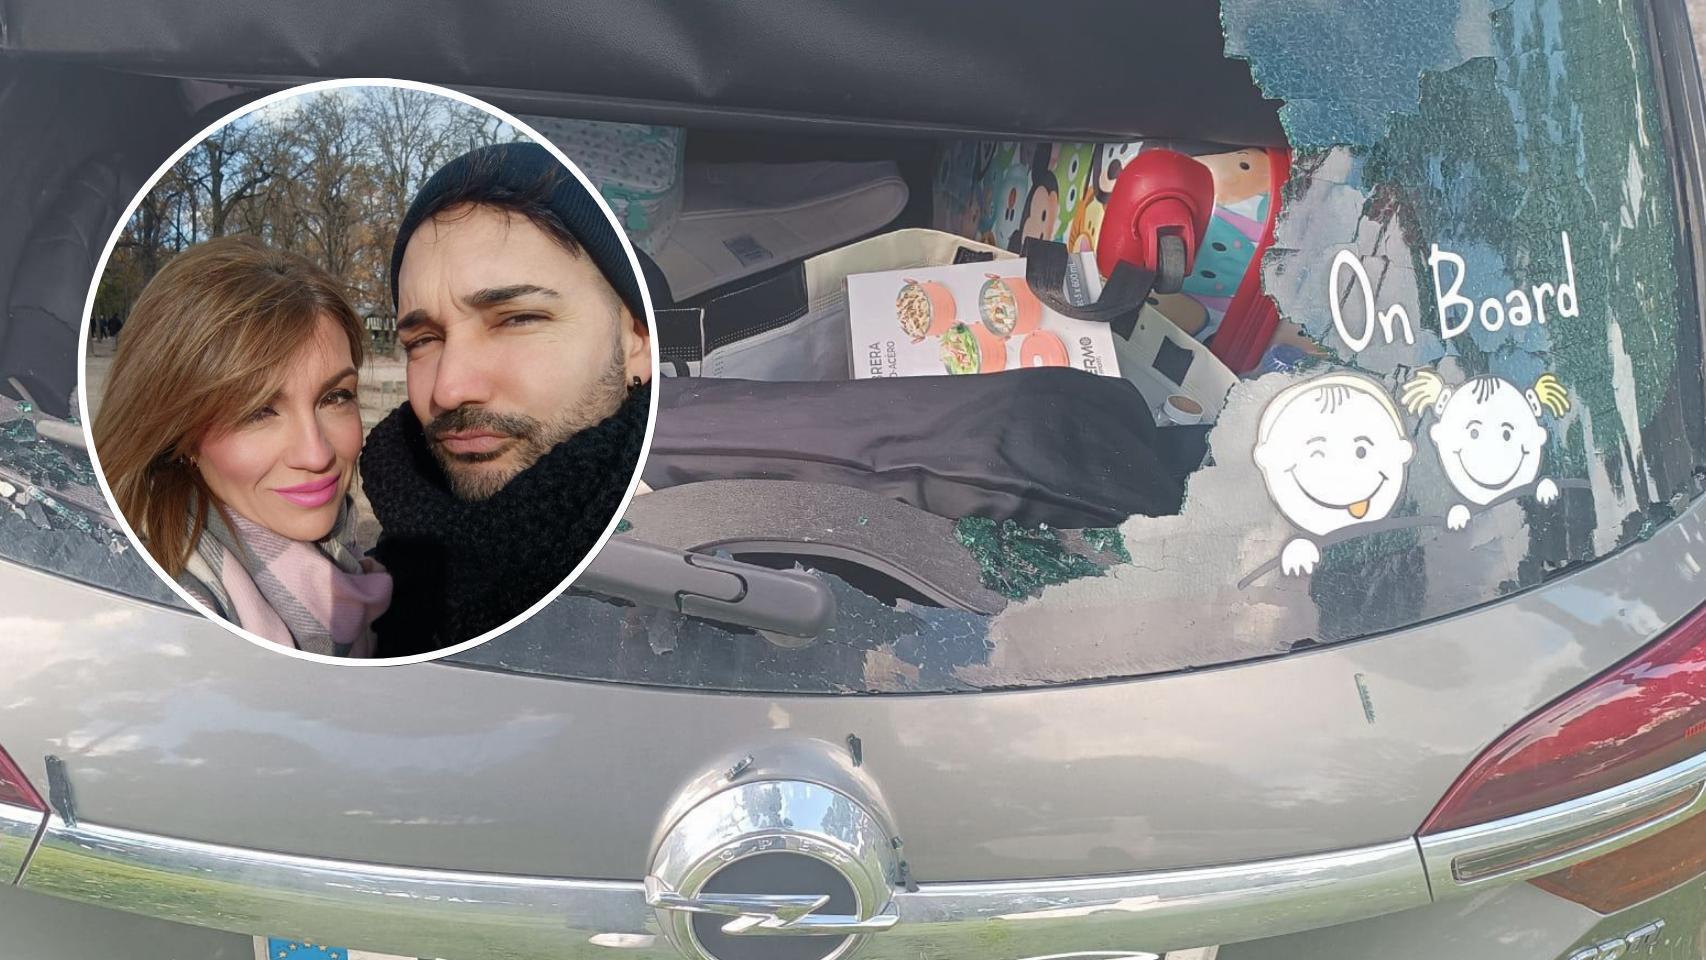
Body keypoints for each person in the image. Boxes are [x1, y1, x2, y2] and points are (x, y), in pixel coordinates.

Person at [360, 142, 652, 655]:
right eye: (422, 340)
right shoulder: (374, 581)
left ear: (637, 341)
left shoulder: (693, 571)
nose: (450, 389)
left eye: (517, 318)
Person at [92, 237, 392, 656]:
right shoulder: (170, 609)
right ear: (181, 434)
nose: (317, 454)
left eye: (335, 397)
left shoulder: (347, 560)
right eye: (258, 411)